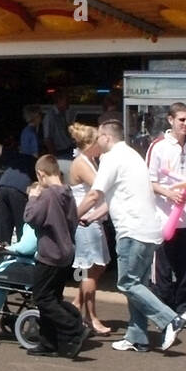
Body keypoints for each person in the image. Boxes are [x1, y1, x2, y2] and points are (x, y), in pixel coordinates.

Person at [75, 120, 184, 353]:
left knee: (128, 283)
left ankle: (169, 319)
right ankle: (137, 336)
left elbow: (95, 194)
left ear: (106, 137)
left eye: (99, 137)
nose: (97, 142)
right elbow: (115, 198)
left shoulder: (112, 158)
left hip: (132, 232)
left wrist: (71, 216)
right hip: (148, 231)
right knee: (138, 284)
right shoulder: (133, 156)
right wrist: (91, 217)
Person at [23, 156, 89, 358]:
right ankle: (49, 341)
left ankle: (74, 327)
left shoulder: (48, 195)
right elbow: (73, 220)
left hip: (50, 253)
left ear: (40, 174)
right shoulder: (67, 192)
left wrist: (32, 197)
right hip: (66, 251)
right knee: (53, 297)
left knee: (42, 297)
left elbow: (31, 218)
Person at [147, 103, 186, 329]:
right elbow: (148, 181)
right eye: (181, 120)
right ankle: (164, 313)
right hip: (164, 218)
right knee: (163, 268)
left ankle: (185, 310)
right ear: (170, 120)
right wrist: (167, 192)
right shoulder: (158, 147)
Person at [68, 123, 111, 335]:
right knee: (90, 271)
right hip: (86, 222)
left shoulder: (89, 160)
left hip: (93, 220)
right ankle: (90, 317)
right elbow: (99, 188)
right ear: (91, 144)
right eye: (99, 142)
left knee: (97, 267)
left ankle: (77, 304)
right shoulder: (81, 162)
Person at [0, 138, 34, 245]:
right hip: (19, 189)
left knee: (2, 228)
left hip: (3, 185)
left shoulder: (15, 155)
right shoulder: (37, 160)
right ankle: (22, 252)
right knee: (22, 226)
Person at [41, 89, 75, 173]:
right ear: (59, 100)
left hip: (68, 149)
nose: (69, 103)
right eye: (67, 100)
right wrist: (54, 157)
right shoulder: (50, 116)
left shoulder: (62, 114)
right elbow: (47, 138)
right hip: (60, 152)